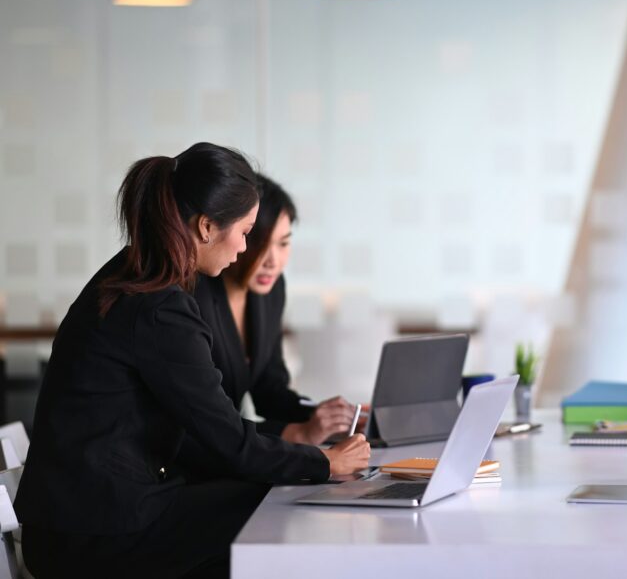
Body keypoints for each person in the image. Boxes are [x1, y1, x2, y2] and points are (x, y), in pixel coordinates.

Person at [15, 143, 371, 578]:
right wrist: (325, 462)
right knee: (279, 514)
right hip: (93, 536)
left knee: (269, 502)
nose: (245, 247)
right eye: (244, 231)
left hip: (86, 516)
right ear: (206, 227)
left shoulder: (139, 274)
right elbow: (227, 439)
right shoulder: (159, 307)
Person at [190, 174, 354, 449]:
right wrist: (299, 435)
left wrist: (325, 418)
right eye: (259, 243)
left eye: (284, 243)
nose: (273, 261)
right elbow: (212, 424)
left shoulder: (270, 293)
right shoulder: (195, 297)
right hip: (200, 456)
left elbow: (270, 389)